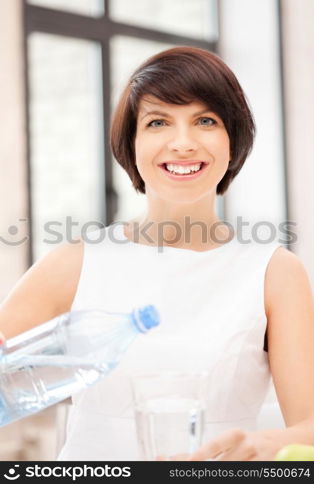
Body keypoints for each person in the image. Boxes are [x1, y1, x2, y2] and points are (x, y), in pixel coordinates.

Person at [0, 46, 314, 461]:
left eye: (205, 121)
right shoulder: (75, 262)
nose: (182, 143)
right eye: (157, 122)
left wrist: (265, 444)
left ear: (233, 139)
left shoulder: (274, 273)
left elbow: (309, 426)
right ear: (131, 144)